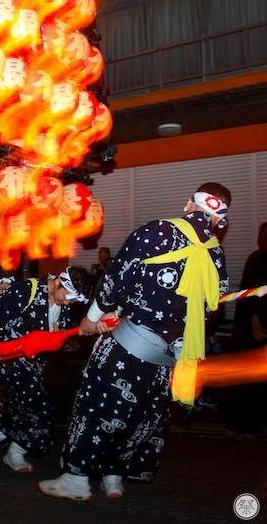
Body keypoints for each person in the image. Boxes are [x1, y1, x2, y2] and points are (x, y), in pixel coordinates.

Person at [38, 182, 230, 501]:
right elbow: (213, 308)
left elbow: (117, 276)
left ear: (188, 204)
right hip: (169, 356)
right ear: (218, 220)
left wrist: (92, 318)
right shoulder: (216, 254)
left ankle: (77, 479)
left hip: (129, 346)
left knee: (96, 406)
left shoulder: (158, 232)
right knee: (138, 415)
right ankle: (114, 477)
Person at [0, 267, 90, 471]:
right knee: (40, 407)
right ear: (58, 281)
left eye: (73, 302)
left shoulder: (63, 305)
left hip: (34, 365)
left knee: (21, 410)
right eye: (68, 298)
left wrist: (59, 338)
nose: (68, 303)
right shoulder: (24, 291)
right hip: (8, 359)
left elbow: (57, 336)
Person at [221, 221, 266, 436]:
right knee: (249, 382)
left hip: (252, 325)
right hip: (250, 326)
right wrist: (256, 321)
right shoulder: (257, 259)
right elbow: (252, 292)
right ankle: (244, 424)